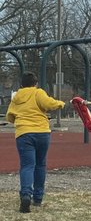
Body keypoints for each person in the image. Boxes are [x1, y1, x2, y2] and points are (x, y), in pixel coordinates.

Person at [6, 73, 65, 213]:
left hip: (24, 133)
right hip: (42, 132)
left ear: (21, 84)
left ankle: (26, 194)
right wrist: (61, 104)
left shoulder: (16, 97)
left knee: (27, 165)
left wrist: (21, 122)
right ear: (36, 83)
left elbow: (10, 116)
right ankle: (38, 198)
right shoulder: (38, 93)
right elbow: (49, 104)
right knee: (40, 164)